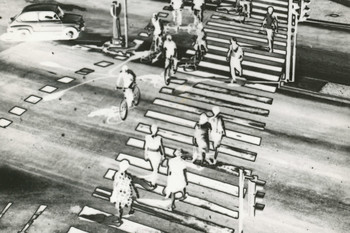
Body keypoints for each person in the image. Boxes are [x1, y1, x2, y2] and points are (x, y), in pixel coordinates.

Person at [110, 160, 138, 226]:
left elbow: (115, 184)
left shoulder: (118, 174)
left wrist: (114, 194)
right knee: (128, 201)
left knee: (119, 207)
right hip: (127, 192)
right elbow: (131, 184)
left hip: (120, 193)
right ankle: (131, 209)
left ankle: (119, 219)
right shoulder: (128, 176)